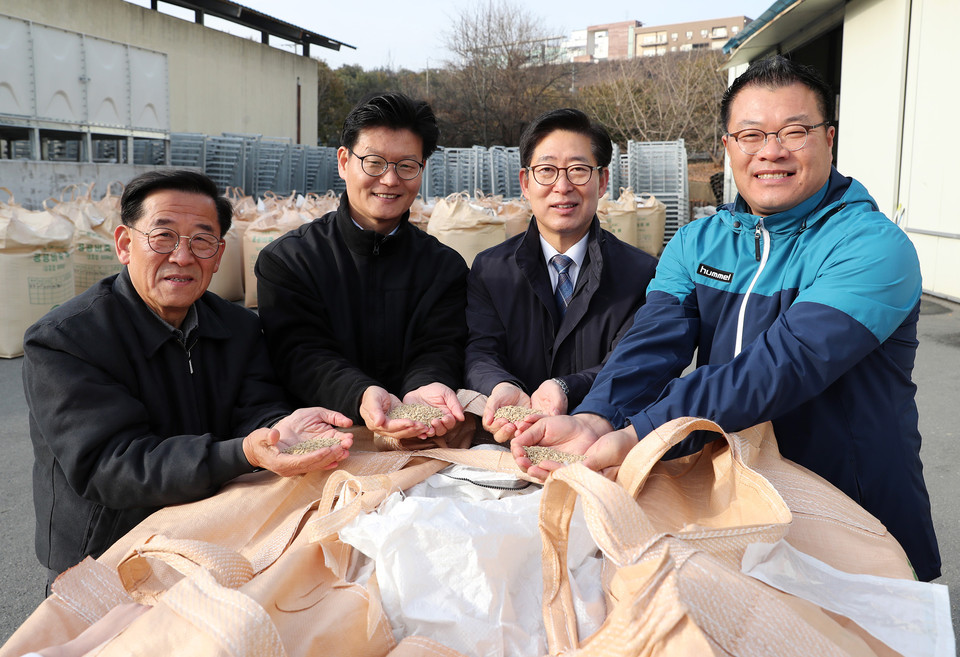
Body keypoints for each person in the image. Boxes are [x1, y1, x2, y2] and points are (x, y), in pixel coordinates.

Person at [513, 55, 942, 581]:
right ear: (728, 146)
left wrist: (643, 432)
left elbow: (783, 364)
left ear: (829, 139)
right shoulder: (697, 242)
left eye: (794, 132)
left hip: (853, 508)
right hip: (735, 503)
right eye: (751, 135)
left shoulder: (871, 246)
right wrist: (596, 417)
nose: (771, 151)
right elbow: (652, 343)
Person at [22, 170, 353, 589]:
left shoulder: (238, 327)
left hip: (210, 533)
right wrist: (243, 452)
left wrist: (278, 430)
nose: (182, 256)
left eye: (201, 240)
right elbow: (111, 465)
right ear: (124, 244)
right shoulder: (66, 340)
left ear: (218, 255)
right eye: (163, 236)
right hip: (107, 552)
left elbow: (256, 407)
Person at [255, 92, 468, 440]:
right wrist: (361, 394)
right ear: (344, 162)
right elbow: (300, 352)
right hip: (323, 437)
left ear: (421, 170)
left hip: (421, 435)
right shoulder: (290, 260)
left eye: (406, 166)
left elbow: (441, 347)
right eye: (374, 162)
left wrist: (425, 386)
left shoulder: (444, 267)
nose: (390, 180)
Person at [465, 108, 657, 442]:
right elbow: (480, 352)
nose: (563, 186)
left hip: (599, 443)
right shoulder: (490, 269)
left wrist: (566, 387)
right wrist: (502, 385)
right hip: (508, 441)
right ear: (525, 183)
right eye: (547, 171)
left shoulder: (641, 274)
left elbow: (630, 363)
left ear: (602, 181)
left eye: (578, 170)